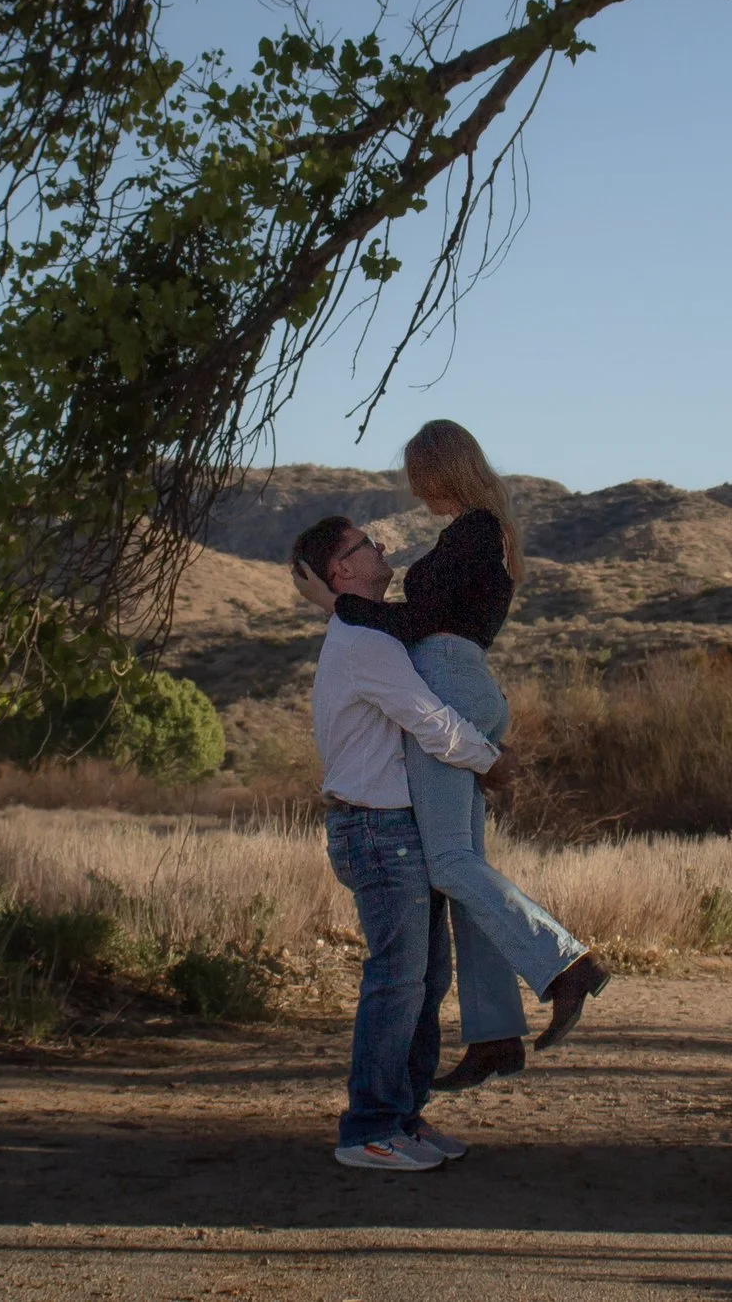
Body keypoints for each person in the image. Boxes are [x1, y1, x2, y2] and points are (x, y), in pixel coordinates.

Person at [294, 443, 608, 1094]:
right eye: (368, 544)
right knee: (463, 869)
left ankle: (563, 965)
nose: (409, 498)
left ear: (442, 471)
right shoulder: (466, 541)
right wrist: (338, 605)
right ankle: (495, 1032)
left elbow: (422, 631)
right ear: (341, 567)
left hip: (454, 691)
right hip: (458, 688)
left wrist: (338, 604)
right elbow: (417, 631)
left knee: (452, 865)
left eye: (417, 477)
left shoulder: (471, 534)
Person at [295, 525, 503, 1173]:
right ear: (341, 569)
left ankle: (402, 1118)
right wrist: (491, 761)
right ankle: (369, 1128)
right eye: (368, 544)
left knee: (423, 979)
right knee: (397, 981)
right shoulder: (364, 645)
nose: (384, 548)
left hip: (393, 830)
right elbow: (429, 722)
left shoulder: (366, 634)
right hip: (378, 831)